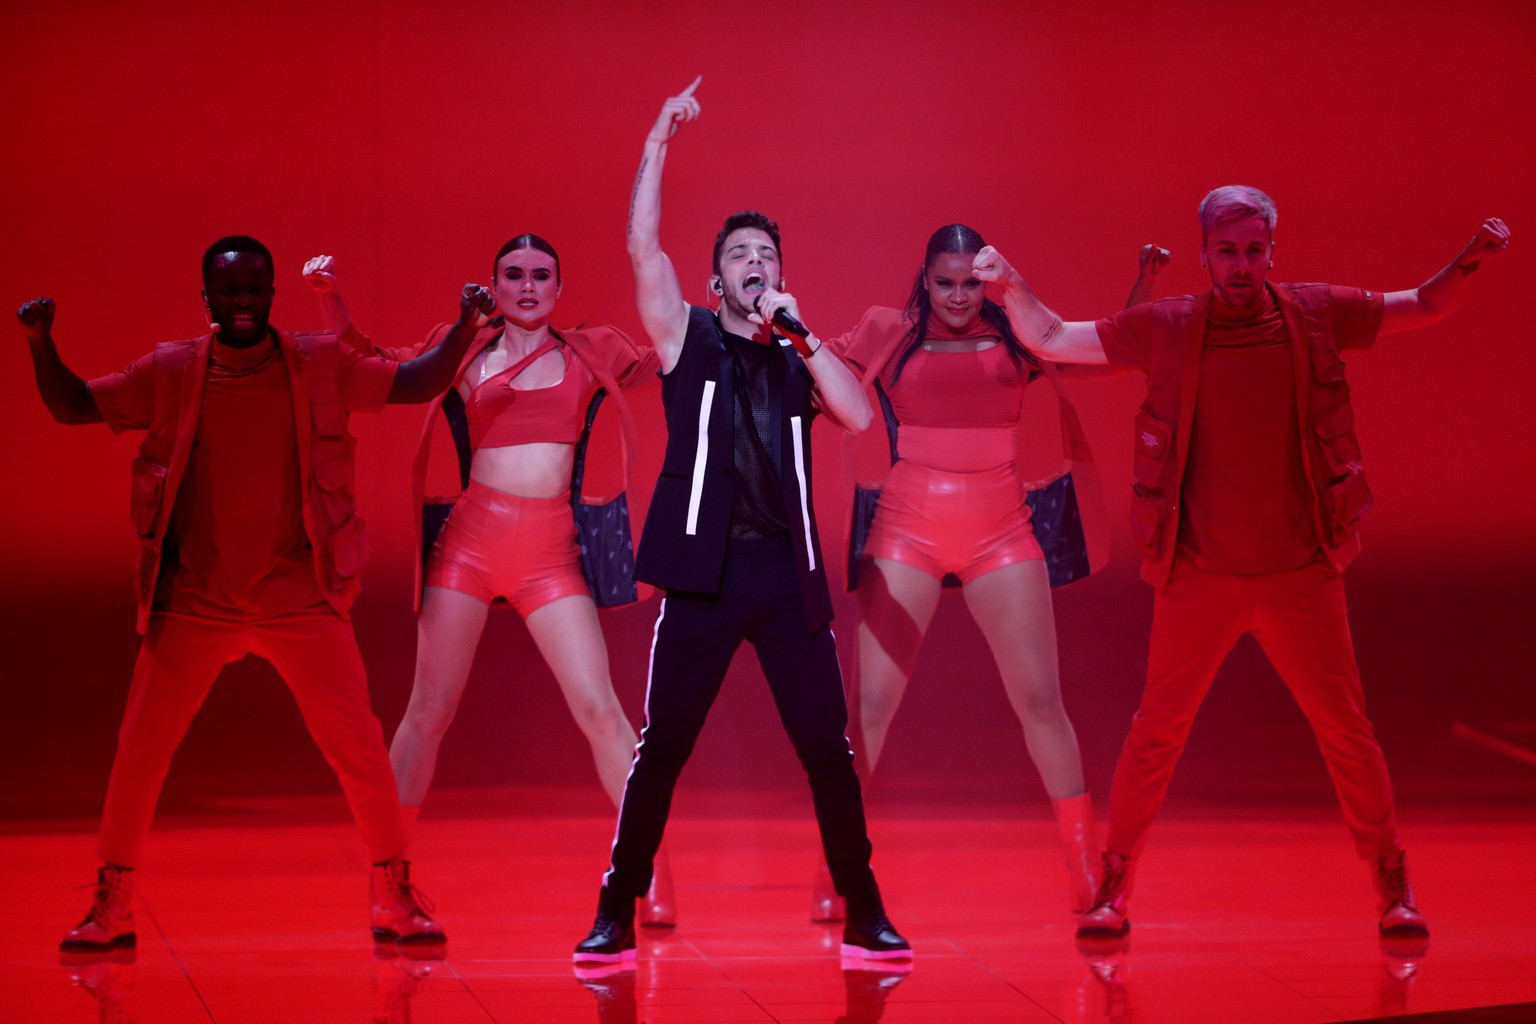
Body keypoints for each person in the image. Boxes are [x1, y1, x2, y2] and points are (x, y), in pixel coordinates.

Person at [974, 187, 1510, 938]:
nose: (1241, 265)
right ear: (1204, 254)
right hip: (1200, 578)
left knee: (1346, 732)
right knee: (1156, 730)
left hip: (1301, 575)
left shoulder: (1315, 312)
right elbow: (1057, 336)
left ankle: (1391, 878)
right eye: (1227, 251)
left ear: (1271, 251)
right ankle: (1114, 882)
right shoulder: (1169, 327)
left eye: (1254, 249)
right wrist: (1008, 285)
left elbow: (1421, 304)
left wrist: (1470, 260)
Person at [19, 235, 490, 951]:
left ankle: (394, 892)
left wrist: (464, 326)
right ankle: (110, 902)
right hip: (195, 603)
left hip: (299, 598)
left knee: (359, 749)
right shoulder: (173, 370)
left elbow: (418, 382)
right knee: (139, 752)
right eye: (229, 291)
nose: (243, 303)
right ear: (206, 298)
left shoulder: (319, 362)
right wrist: (39, 341)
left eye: (255, 290)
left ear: (272, 292)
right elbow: (74, 405)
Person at [572, 79, 909, 966]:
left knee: (826, 752)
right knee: (664, 747)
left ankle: (865, 905)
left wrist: (799, 334)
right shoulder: (688, 340)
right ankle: (617, 907)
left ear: (779, 273)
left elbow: (861, 418)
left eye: (765, 254)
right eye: (738, 255)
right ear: (717, 273)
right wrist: (657, 137)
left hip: (781, 578)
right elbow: (641, 247)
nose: (752, 264)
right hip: (704, 576)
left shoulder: (801, 353)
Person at [305, 239, 679, 926]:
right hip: (469, 547)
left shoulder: (591, 349)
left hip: (550, 554)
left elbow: (675, 354)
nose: (527, 286)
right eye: (514, 275)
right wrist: (332, 299)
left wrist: (742, 317)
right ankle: (388, 879)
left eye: (541, 276)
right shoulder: (461, 348)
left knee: (600, 709)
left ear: (559, 286)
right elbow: (373, 364)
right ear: (494, 284)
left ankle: (644, 868)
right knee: (427, 712)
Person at [823, 227, 1166, 919]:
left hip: (1002, 534)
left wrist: (1144, 288)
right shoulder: (887, 332)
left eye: (970, 283)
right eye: (944, 283)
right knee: (868, 710)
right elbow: (807, 371)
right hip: (905, 534)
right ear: (924, 280)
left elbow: (1106, 351)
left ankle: (1083, 872)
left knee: (1041, 702)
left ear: (989, 280)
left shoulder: (1020, 332)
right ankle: (837, 874)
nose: (957, 296)